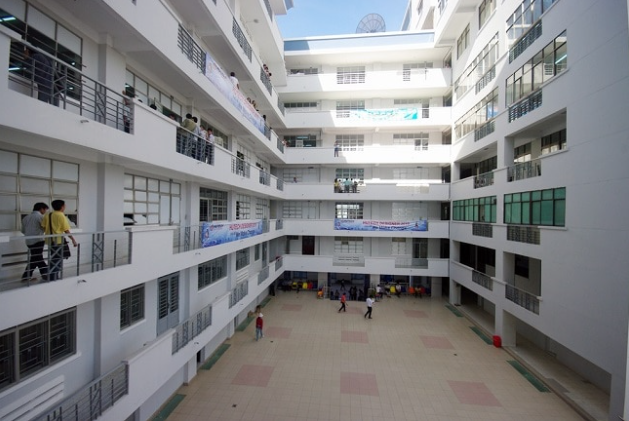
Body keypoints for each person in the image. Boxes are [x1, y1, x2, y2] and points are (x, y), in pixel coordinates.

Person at [41, 200, 77, 281]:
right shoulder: (61, 215)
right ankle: (52, 276)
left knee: (53, 258)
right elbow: (66, 230)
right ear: (62, 206)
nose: (65, 207)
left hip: (49, 241)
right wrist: (73, 240)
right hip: (58, 241)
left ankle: (51, 274)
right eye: (64, 205)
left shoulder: (48, 215)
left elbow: (43, 227)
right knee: (57, 260)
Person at [21, 202, 49, 282]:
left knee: (35, 257)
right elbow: (45, 228)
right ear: (41, 209)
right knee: (38, 257)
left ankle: (27, 276)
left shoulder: (25, 218)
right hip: (38, 240)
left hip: (29, 241)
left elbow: (23, 231)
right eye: (45, 210)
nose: (45, 212)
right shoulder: (40, 217)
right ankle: (46, 272)